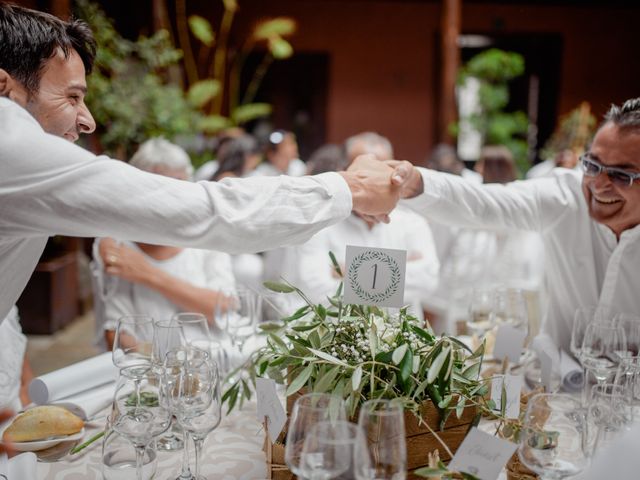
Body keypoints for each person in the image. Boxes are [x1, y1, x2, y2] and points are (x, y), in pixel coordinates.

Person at [0, 4, 408, 328]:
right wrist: (348, 188)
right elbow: (199, 210)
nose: (88, 119)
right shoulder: (8, 140)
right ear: (5, 89)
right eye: (72, 98)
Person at [393, 97, 640, 355]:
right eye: (592, 165)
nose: (598, 185)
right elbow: (483, 203)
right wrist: (412, 183)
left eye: (621, 175)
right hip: (555, 384)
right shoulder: (566, 197)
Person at [93, 138, 236, 349]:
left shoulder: (206, 236)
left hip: (211, 360)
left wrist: (147, 274)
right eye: (160, 187)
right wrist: (164, 368)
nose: (171, 199)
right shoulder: (116, 247)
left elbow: (223, 308)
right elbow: (116, 333)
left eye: (179, 185)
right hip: (149, 371)